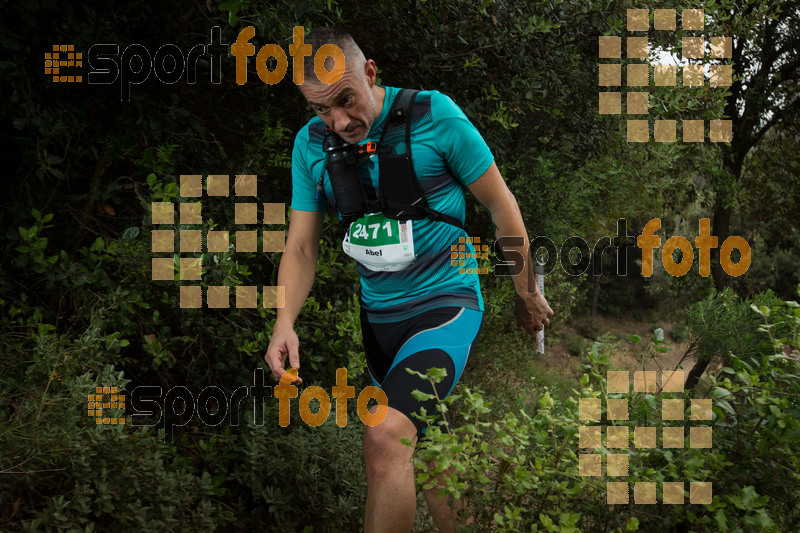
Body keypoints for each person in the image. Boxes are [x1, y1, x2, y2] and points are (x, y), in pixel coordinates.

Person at [264, 27, 553, 533]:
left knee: (383, 435)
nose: (338, 121)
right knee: (430, 451)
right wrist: (283, 321)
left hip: (447, 302)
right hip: (379, 323)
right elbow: (301, 246)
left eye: (346, 100)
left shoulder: (434, 116)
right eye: (320, 109)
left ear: (370, 72)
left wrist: (526, 294)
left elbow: (501, 207)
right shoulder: (310, 146)